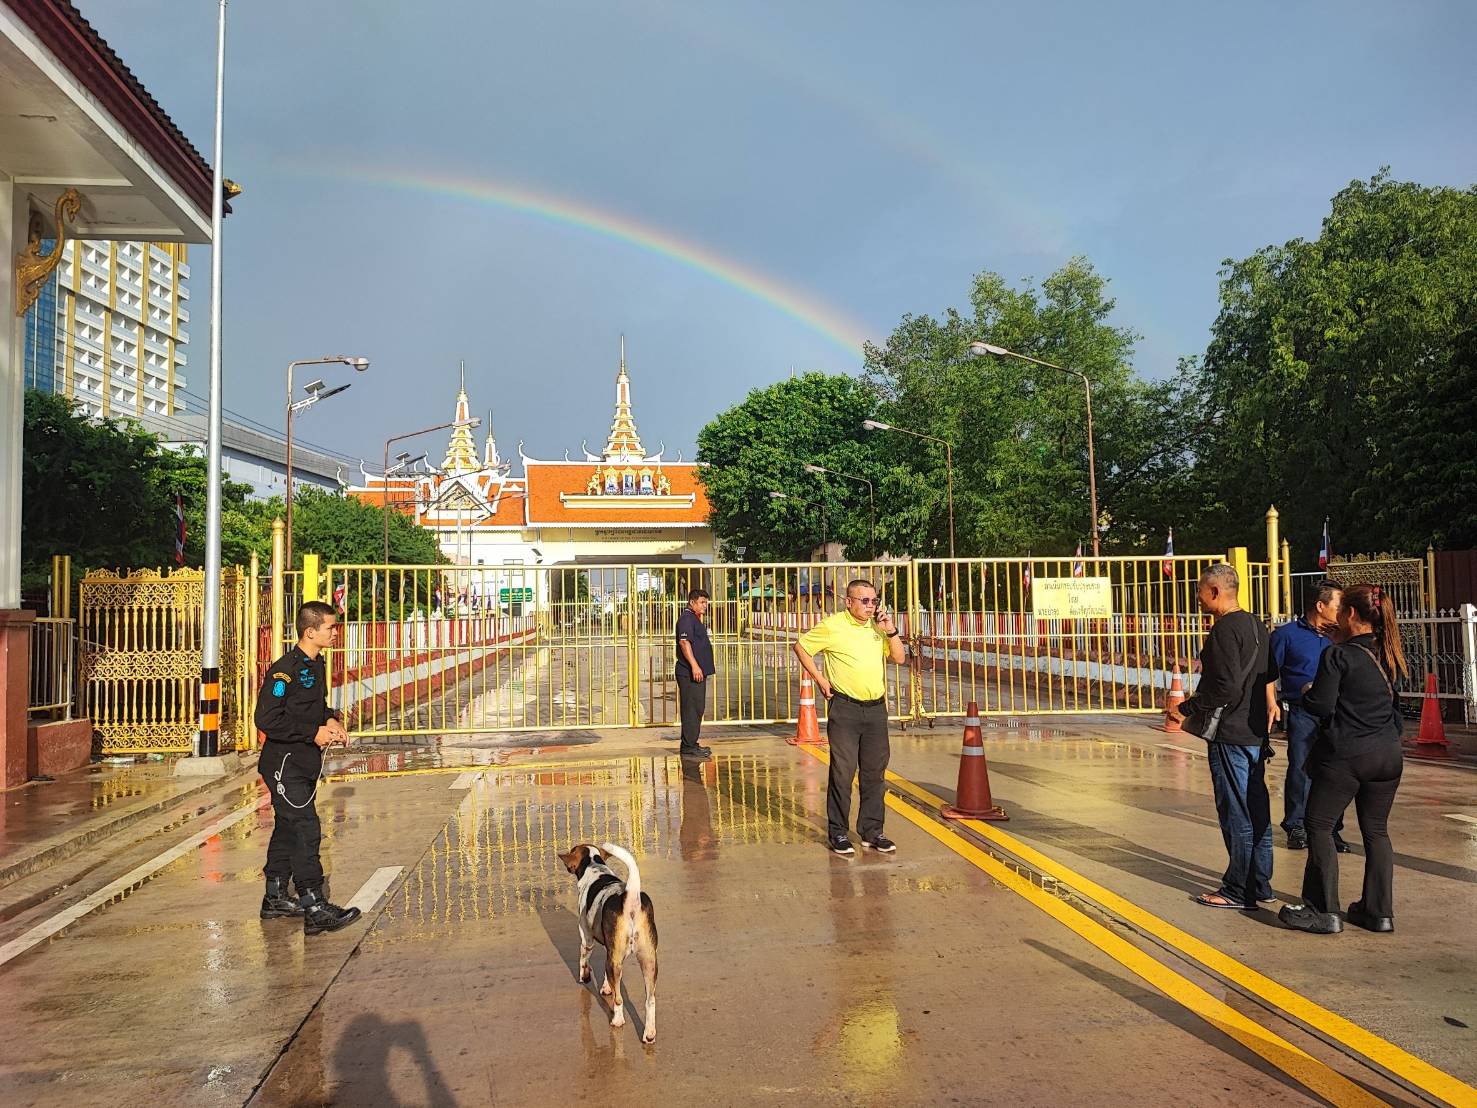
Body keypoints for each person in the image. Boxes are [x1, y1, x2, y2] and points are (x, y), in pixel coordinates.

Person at [1280, 584, 1407, 935]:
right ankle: (1378, 913)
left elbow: (1321, 705)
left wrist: (1307, 691)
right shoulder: (1388, 653)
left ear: (1350, 614)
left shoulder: (1338, 656)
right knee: (1376, 831)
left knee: (1318, 825)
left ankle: (1323, 910)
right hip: (1388, 754)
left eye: (1340, 609)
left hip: (1349, 754)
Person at [1168, 564, 1276, 910]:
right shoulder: (1257, 625)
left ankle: (1237, 889)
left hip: (1231, 732)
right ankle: (1260, 884)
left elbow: (1225, 687)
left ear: (1214, 591)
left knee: (1236, 811)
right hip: (1255, 731)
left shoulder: (1224, 630)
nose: (1198, 599)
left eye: (1200, 592)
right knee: (1256, 809)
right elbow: (1269, 673)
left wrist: (1187, 708)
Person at [254, 600, 362, 935]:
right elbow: (266, 719)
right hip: (284, 764)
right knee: (305, 829)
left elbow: (315, 707)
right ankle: (314, 905)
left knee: (288, 828)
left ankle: (274, 897)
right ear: (310, 631)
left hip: (303, 762)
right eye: (330, 627)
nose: (335, 632)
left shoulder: (315, 665)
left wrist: (329, 720)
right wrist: (311, 733)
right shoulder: (283, 671)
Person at [793, 580, 907, 856]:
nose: (870, 606)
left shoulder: (877, 628)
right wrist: (820, 679)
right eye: (864, 600)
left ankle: (872, 831)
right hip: (845, 708)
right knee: (843, 772)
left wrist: (891, 630)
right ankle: (838, 832)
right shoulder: (833, 626)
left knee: (874, 773)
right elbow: (801, 647)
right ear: (848, 601)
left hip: (875, 709)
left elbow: (899, 658)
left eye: (874, 601)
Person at [1268, 580, 1347, 850]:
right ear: (1320, 606)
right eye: (1338, 605)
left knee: (1336, 771)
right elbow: (1269, 673)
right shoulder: (1286, 635)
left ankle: (1331, 827)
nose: (1341, 611)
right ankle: (1296, 825)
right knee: (1301, 768)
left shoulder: (1339, 636)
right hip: (1302, 711)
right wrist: (1272, 702)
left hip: (1336, 711)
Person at [675, 587, 715, 761]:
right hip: (689, 673)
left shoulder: (694, 618)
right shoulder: (686, 619)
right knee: (691, 709)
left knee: (697, 709)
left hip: (696, 672)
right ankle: (688, 747)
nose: (705, 605)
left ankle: (691, 743)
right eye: (702, 602)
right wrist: (695, 666)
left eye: (706, 602)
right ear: (692, 602)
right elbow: (684, 643)